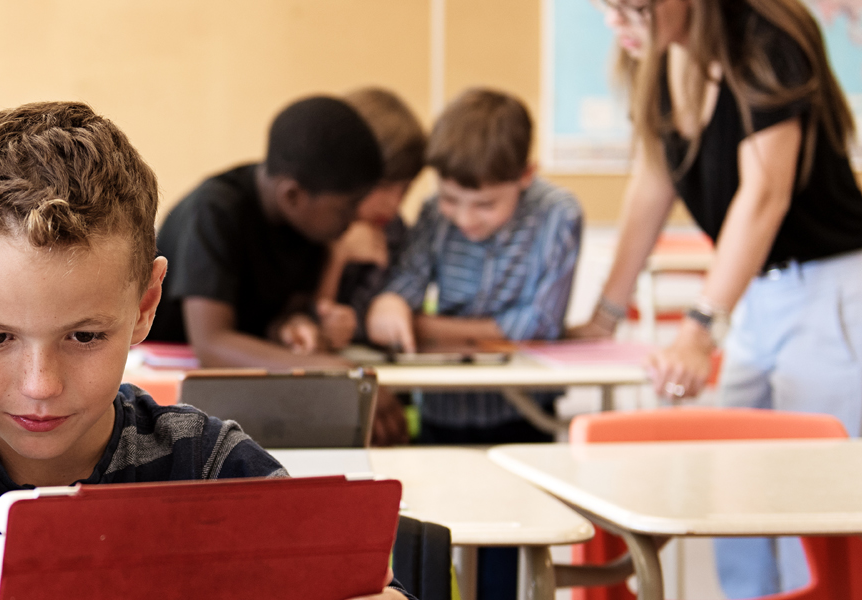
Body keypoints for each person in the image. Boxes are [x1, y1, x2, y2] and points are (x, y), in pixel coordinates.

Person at [0, 102, 408, 600]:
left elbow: (362, 583)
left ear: (145, 304)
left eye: (84, 336)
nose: (40, 385)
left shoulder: (208, 469)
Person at [575, 0, 862, 595]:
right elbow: (654, 180)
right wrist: (604, 315)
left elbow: (765, 194)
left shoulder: (767, 37)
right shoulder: (656, 58)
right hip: (759, 291)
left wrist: (698, 329)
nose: (614, 22)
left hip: (834, 287)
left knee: (812, 504)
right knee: (737, 487)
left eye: (630, 7)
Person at [366, 88, 583, 444]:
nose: (465, 218)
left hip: (524, 415)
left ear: (526, 175)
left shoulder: (558, 215)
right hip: (441, 410)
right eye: (451, 198)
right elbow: (401, 291)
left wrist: (423, 326)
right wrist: (390, 303)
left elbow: (540, 325)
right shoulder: (434, 213)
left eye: (485, 204)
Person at [147, 96, 384, 369]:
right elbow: (212, 344)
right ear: (292, 196)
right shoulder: (215, 211)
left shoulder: (308, 227)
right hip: (168, 383)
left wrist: (293, 327)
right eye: (348, 207)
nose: (356, 217)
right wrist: (329, 368)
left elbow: (276, 320)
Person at [278, 87, 427, 356]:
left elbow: (372, 327)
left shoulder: (392, 231)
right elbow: (295, 324)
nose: (393, 204)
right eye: (382, 187)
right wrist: (337, 259)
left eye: (404, 190)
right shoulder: (308, 222)